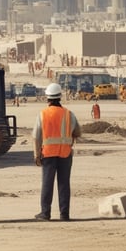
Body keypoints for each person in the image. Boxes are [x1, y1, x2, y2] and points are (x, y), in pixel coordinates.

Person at [32, 82, 82, 221]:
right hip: (65, 154)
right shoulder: (68, 114)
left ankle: (45, 213)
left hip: (48, 154)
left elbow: (36, 136)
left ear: (47, 98)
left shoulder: (42, 114)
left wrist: (36, 155)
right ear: (60, 97)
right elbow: (77, 132)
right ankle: (64, 214)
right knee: (64, 184)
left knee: (47, 183)